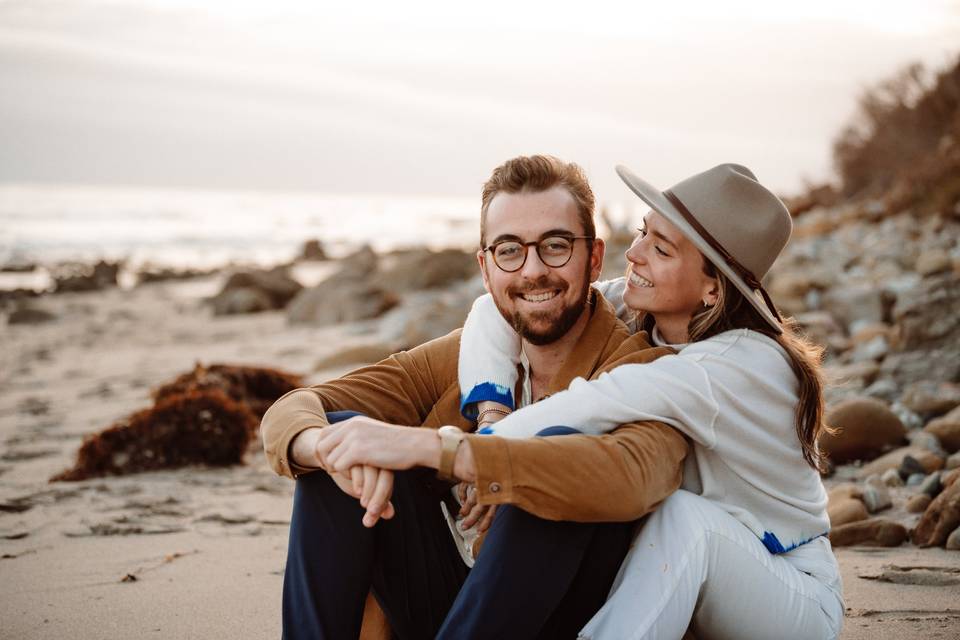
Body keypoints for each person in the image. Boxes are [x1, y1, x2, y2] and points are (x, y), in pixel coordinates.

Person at [260, 155, 690, 640]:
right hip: (456, 603)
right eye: (509, 251)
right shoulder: (465, 355)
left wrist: (481, 461)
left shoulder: (639, 364)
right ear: (486, 269)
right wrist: (320, 448)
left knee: (555, 455)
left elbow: (640, 474)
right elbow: (295, 409)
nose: (532, 271)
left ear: (593, 258)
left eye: (555, 246)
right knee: (340, 441)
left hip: (567, 616)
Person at [452, 163, 845, 639]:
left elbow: (594, 403)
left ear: (712, 287)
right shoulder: (648, 309)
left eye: (660, 248)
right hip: (684, 579)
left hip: (789, 593)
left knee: (688, 521)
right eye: (644, 232)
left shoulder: (738, 365)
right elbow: (492, 309)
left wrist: (471, 453)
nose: (634, 253)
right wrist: (492, 409)